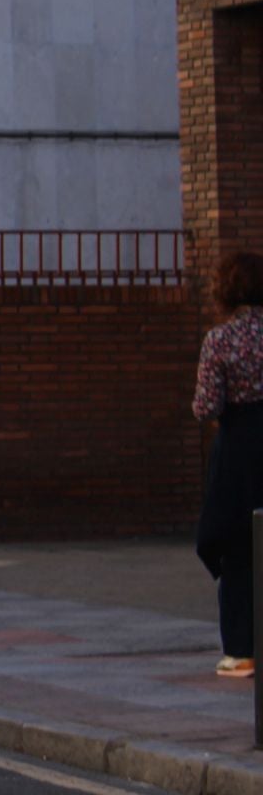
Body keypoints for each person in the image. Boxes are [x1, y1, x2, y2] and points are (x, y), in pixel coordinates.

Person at [196, 252, 263, 678]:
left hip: (239, 446)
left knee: (232, 542)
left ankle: (242, 649)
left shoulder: (220, 341)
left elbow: (205, 406)